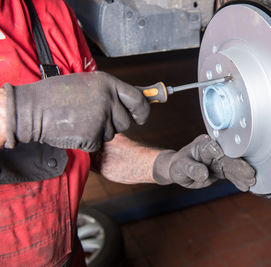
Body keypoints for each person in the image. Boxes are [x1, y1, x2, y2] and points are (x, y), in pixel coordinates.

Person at [0, 0, 256, 266]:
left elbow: (91, 148)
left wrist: (165, 164)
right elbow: (37, 116)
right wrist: (20, 112)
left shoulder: (48, 10)